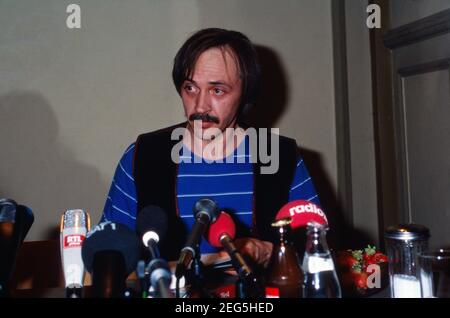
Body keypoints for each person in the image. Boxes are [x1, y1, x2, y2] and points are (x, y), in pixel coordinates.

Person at [100, 28, 321, 268]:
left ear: (245, 94)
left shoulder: (280, 157)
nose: (200, 106)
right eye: (190, 88)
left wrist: (271, 252)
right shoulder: (142, 157)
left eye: (217, 90)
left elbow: (320, 251)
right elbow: (109, 257)